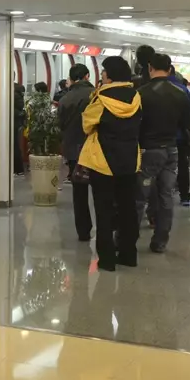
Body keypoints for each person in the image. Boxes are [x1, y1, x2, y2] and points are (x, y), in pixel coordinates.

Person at [78, 56, 142, 271]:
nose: (102, 74)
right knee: (128, 208)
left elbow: (87, 125)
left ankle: (106, 260)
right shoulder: (136, 97)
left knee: (104, 210)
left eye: (104, 71)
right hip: (130, 159)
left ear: (110, 75)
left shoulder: (101, 98)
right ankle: (128, 255)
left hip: (103, 160)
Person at [136, 54, 190, 253]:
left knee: (140, 196)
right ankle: (160, 240)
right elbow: (186, 122)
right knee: (166, 195)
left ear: (150, 68)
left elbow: (137, 123)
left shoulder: (141, 93)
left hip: (148, 150)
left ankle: (128, 239)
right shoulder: (181, 93)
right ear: (169, 69)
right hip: (171, 149)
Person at [57, 64, 95, 241]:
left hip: (73, 149)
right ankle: (105, 229)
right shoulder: (96, 95)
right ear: (87, 76)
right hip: (95, 148)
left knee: (79, 192)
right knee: (100, 190)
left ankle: (83, 231)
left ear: (71, 78)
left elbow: (60, 124)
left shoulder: (65, 98)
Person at [169, 64, 190, 206]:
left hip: (157, 137)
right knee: (182, 164)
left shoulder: (149, 88)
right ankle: (184, 196)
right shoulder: (182, 89)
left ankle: (159, 199)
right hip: (179, 135)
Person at [13, 83, 26, 175]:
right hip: (17, 123)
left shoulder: (13, 95)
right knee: (15, 146)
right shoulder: (19, 95)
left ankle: (17, 168)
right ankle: (18, 169)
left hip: (13, 123)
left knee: (14, 146)